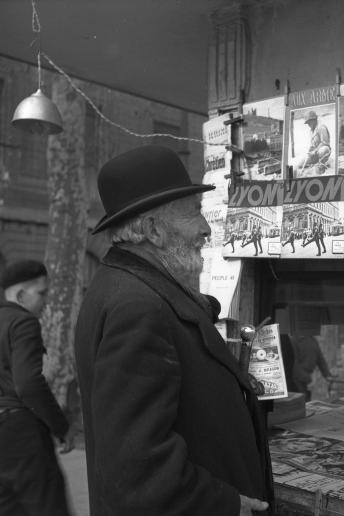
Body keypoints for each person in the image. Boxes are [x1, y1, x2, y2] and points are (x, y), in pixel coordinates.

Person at [74, 146, 273, 516]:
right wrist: (225, 504)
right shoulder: (137, 306)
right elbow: (137, 465)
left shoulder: (134, 287)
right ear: (153, 230)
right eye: (196, 214)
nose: (206, 229)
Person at [0, 260, 75, 516]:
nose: (46, 301)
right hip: (22, 433)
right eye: (42, 293)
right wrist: (61, 426)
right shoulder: (23, 322)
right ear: (21, 295)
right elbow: (29, 385)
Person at [291, 335, 334, 401]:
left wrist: (327, 375)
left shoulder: (312, 339)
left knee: (307, 402)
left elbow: (320, 358)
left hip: (307, 377)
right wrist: (308, 379)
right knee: (301, 402)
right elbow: (294, 364)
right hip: (296, 380)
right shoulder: (293, 340)